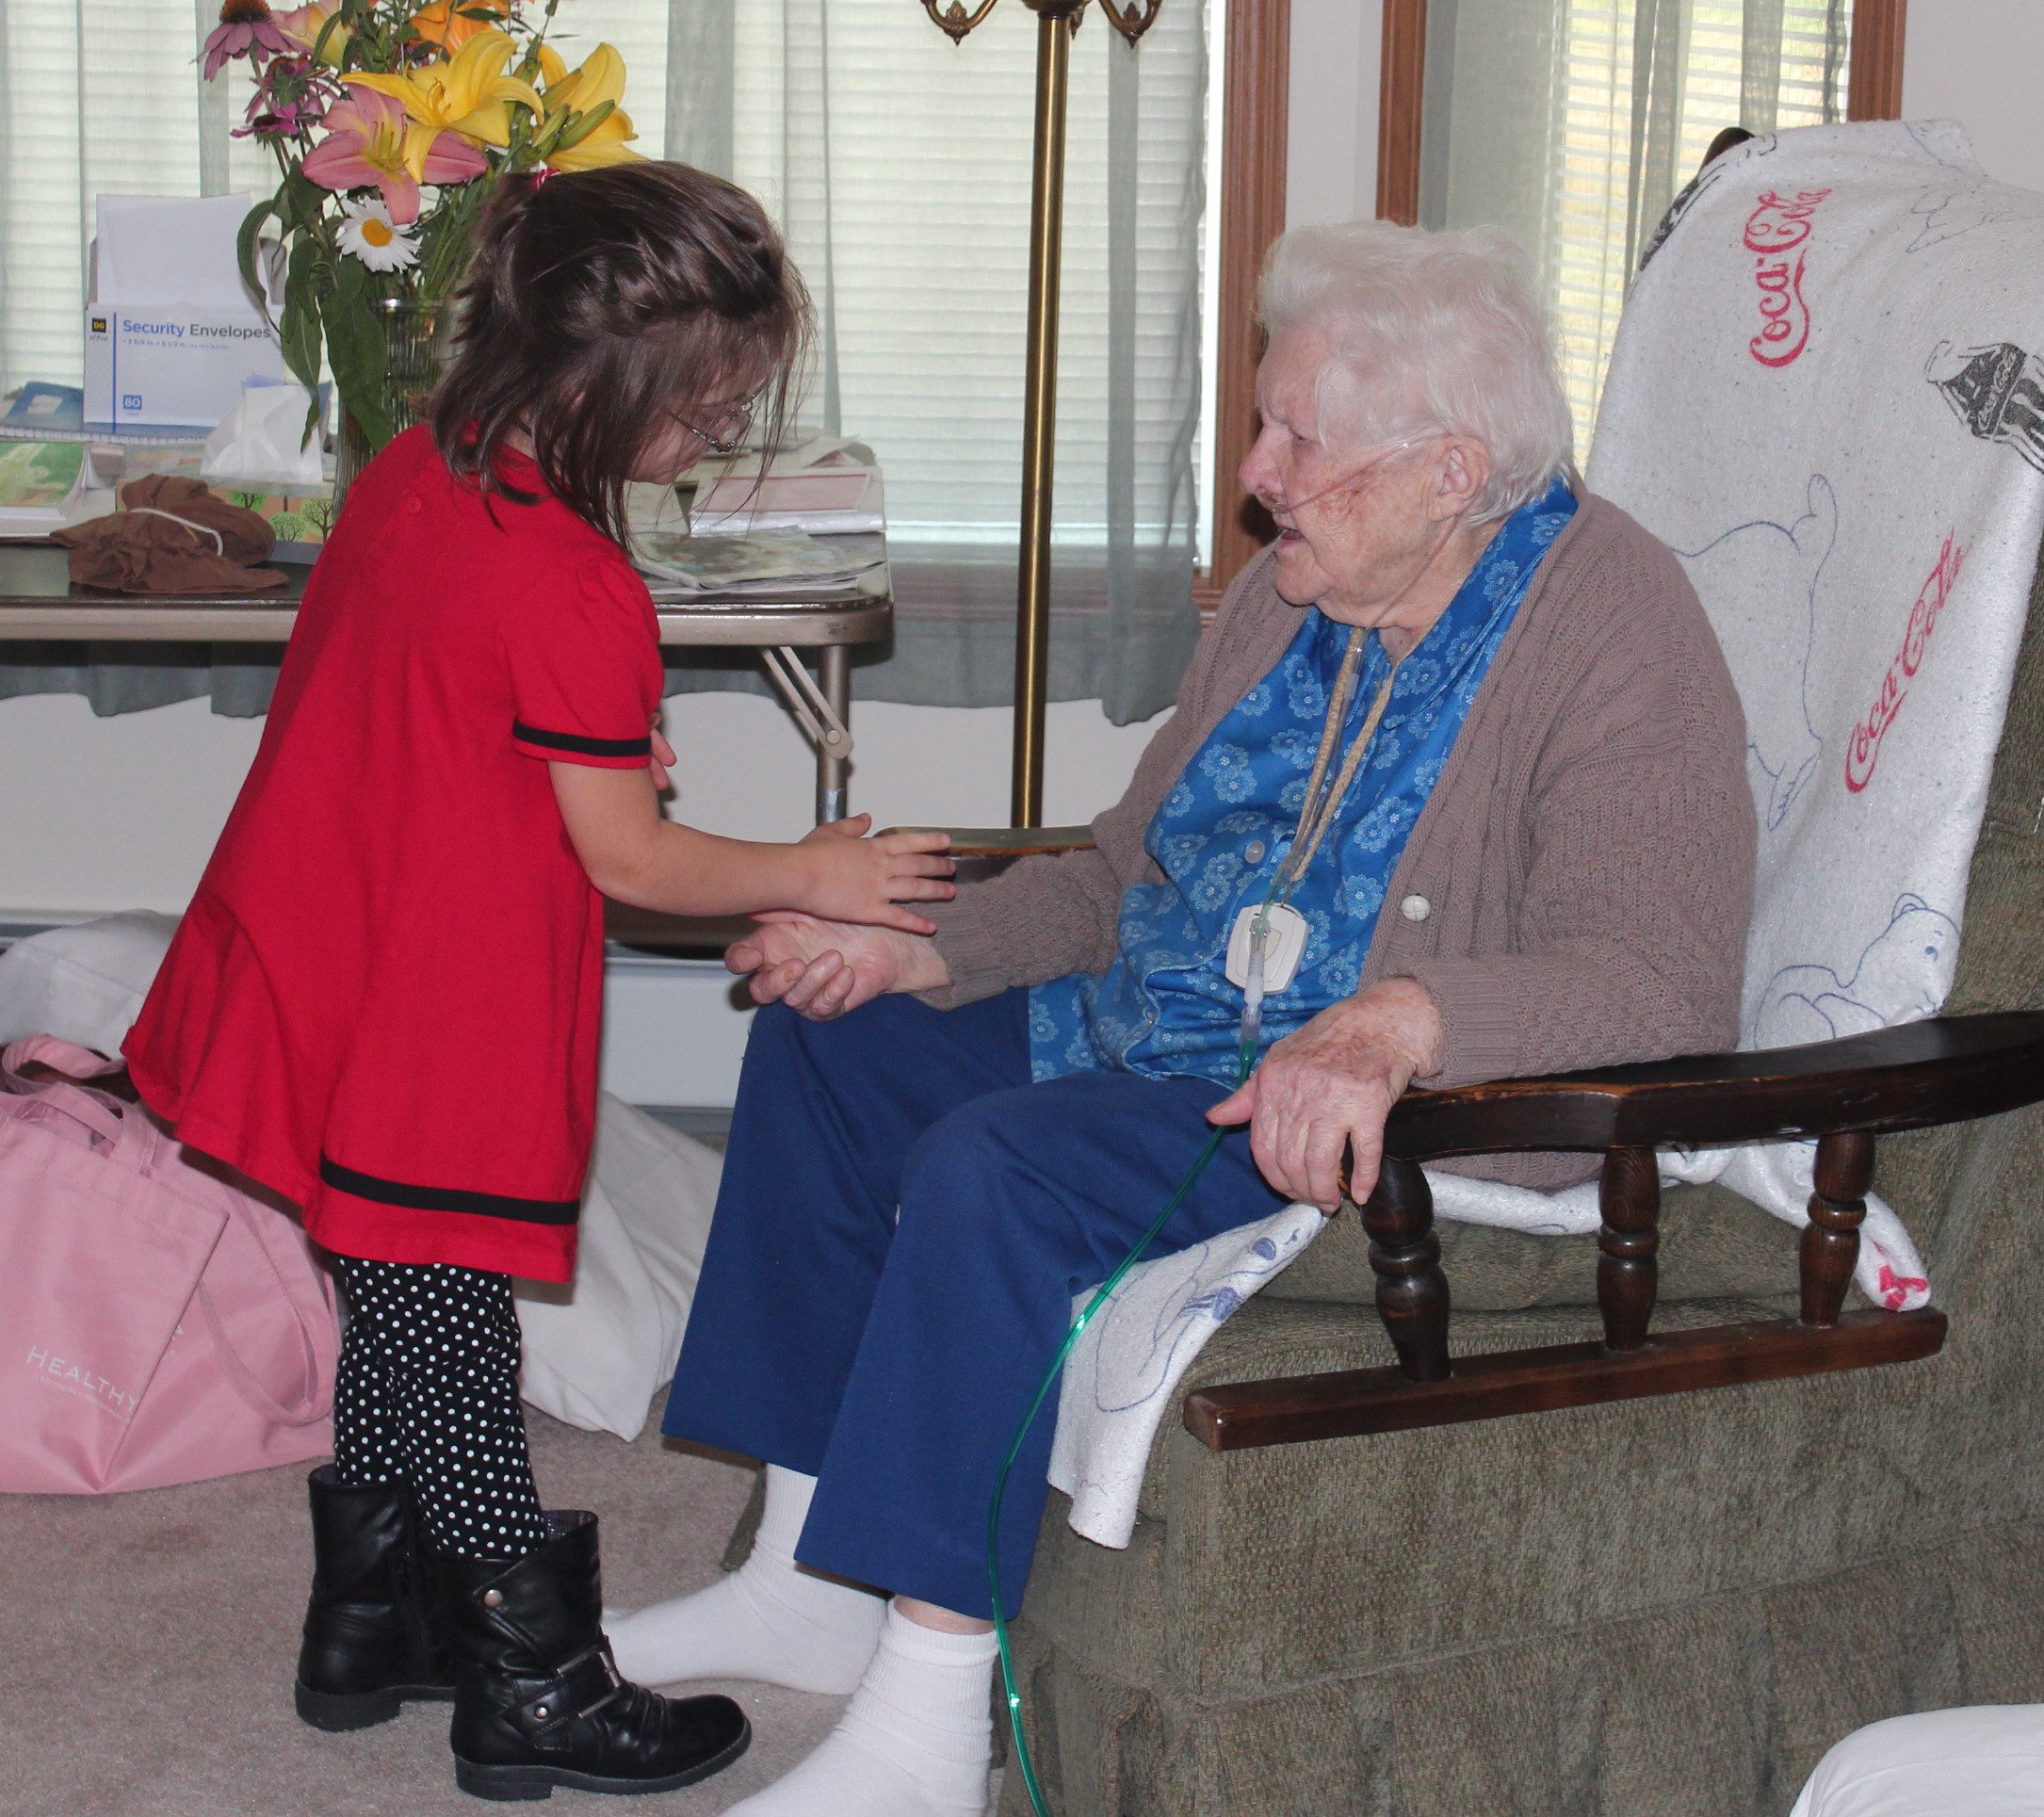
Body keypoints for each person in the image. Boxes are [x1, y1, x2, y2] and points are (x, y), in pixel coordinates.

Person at [607, 219, 1758, 1817]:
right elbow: (1117, 873)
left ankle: (927, 1723)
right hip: (1158, 1026)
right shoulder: (1290, 599)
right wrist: (916, 956)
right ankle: (810, 1570)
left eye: (1298, 435)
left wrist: (1402, 1018)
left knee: (993, 1168)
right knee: (829, 1040)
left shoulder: (1613, 625)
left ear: (1444, 468)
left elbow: (1661, 976)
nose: (1258, 468)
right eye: (1263, 420)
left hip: (1371, 1110)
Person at [121, 161, 953, 1804]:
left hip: (317, 956)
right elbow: (632, 863)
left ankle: (372, 1618)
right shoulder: (576, 584)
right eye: (709, 403)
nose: (720, 433)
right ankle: (533, 1673)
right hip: (433, 1009)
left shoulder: (416, 472)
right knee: (448, 1336)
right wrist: (813, 868)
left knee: (393, 1289)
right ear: (611, 378)